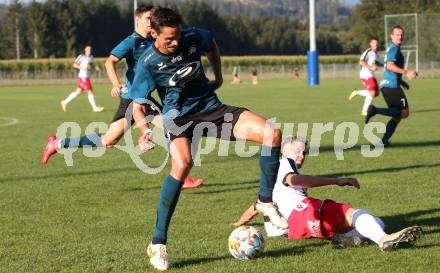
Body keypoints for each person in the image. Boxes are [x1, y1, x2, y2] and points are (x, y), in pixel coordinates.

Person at [129, 7, 287, 271]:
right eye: (169, 39)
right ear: (153, 33)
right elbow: (138, 105)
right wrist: (144, 129)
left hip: (212, 109)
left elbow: (210, 42)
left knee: (272, 133)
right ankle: (158, 243)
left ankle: (265, 201)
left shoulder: (191, 36)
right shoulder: (146, 64)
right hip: (178, 119)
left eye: (177, 35)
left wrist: (219, 75)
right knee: (182, 165)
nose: (176, 42)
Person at [41, 5, 204, 190]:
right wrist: (115, 83)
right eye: (147, 18)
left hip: (137, 98)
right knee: (173, 128)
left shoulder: (155, 40)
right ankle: (180, 178)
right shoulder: (132, 41)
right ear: (138, 20)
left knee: (107, 140)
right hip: (136, 98)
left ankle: (58, 143)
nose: (151, 21)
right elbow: (109, 61)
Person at [233, 136, 422, 251]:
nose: (302, 155)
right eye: (297, 151)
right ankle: (383, 241)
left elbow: (256, 205)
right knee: (358, 215)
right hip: (303, 212)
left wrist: (240, 223)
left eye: (304, 152)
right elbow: (294, 181)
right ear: (284, 151)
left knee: (377, 221)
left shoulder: (271, 175)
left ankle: (347, 239)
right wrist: (336, 180)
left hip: (292, 230)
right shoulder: (285, 164)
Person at [365, 25, 417, 146]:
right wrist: (407, 72)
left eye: (401, 34)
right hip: (391, 86)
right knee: (404, 112)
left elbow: (389, 68)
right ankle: (374, 110)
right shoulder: (394, 49)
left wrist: (402, 81)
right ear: (392, 36)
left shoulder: (392, 48)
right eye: (397, 34)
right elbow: (389, 66)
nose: (400, 36)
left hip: (388, 85)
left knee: (396, 116)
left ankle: (383, 142)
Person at [61, 45, 104, 113]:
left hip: (86, 77)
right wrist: (82, 68)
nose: (89, 51)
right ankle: (94, 108)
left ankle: (65, 102)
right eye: (88, 49)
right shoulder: (81, 56)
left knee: (78, 92)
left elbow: (91, 64)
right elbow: (74, 65)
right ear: (85, 50)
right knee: (90, 91)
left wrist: (96, 67)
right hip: (83, 77)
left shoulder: (91, 57)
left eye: (90, 50)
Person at [348, 37, 382, 116]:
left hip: (371, 75)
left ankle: (357, 92)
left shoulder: (377, 53)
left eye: (376, 43)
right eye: (373, 43)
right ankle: (364, 111)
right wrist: (371, 67)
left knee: (376, 93)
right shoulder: (368, 51)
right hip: (365, 74)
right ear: (370, 44)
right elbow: (361, 61)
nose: (375, 45)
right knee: (372, 93)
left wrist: (384, 66)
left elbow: (375, 62)